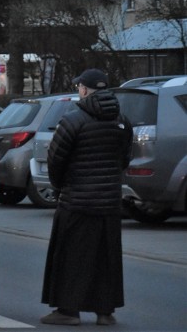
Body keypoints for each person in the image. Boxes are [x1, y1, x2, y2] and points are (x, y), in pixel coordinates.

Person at [40, 69, 133, 327]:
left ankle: (68, 310)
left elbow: (56, 160)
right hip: (110, 202)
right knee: (107, 257)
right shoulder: (122, 120)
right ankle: (105, 311)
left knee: (70, 257)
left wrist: (60, 187)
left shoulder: (73, 121)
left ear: (83, 89)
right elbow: (124, 158)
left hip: (77, 202)